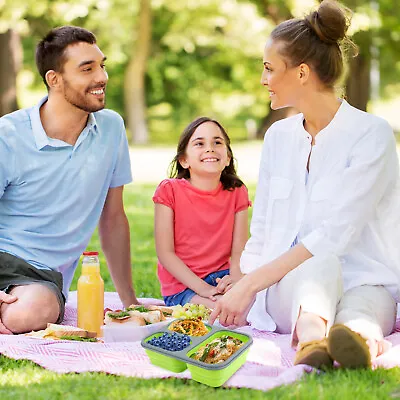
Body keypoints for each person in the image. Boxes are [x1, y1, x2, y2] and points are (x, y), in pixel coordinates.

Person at [209, 0, 400, 369]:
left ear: (301, 73)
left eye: (269, 69)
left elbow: (336, 233)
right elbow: (263, 225)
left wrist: (249, 284)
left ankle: (355, 342)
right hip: (289, 288)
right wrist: (243, 282)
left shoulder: (371, 135)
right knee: (320, 268)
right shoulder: (278, 137)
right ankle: (313, 338)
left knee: (361, 312)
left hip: (366, 280)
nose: (263, 80)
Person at [0, 26, 139, 335]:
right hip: (3, 257)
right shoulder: (8, 135)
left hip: (40, 278)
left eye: (101, 65)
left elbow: (113, 218)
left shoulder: (112, 128)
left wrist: (131, 303)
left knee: (37, 310)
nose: (101, 77)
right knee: (32, 311)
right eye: (87, 69)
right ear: (55, 79)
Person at [153, 117, 251, 308]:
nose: (210, 148)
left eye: (217, 142)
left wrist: (236, 280)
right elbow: (165, 254)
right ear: (184, 160)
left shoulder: (237, 191)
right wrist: (203, 289)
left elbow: (239, 251)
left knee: (257, 303)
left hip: (222, 277)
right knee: (227, 310)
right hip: (183, 286)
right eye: (200, 143)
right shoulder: (169, 190)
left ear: (228, 158)